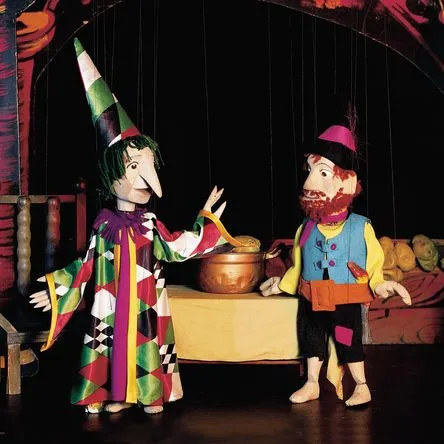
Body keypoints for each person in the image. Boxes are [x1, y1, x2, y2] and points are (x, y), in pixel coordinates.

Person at [29, 38, 242, 415]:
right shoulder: (103, 226)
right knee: (108, 340)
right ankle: (115, 394)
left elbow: (175, 248)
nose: (144, 178)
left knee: (146, 340)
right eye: (132, 167)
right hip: (110, 303)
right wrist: (56, 288)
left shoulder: (149, 223)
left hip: (145, 302)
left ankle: (148, 394)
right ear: (111, 176)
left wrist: (205, 223)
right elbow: (86, 265)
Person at [259, 103, 411, 407]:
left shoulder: (361, 227)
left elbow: (374, 264)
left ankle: (362, 386)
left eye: (323, 172)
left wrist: (380, 284)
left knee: (347, 340)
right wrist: (280, 285)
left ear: (348, 182)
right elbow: (298, 266)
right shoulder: (306, 228)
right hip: (312, 300)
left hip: (345, 301)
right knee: (311, 339)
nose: (308, 183)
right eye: (310, 171)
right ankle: (312, 383)